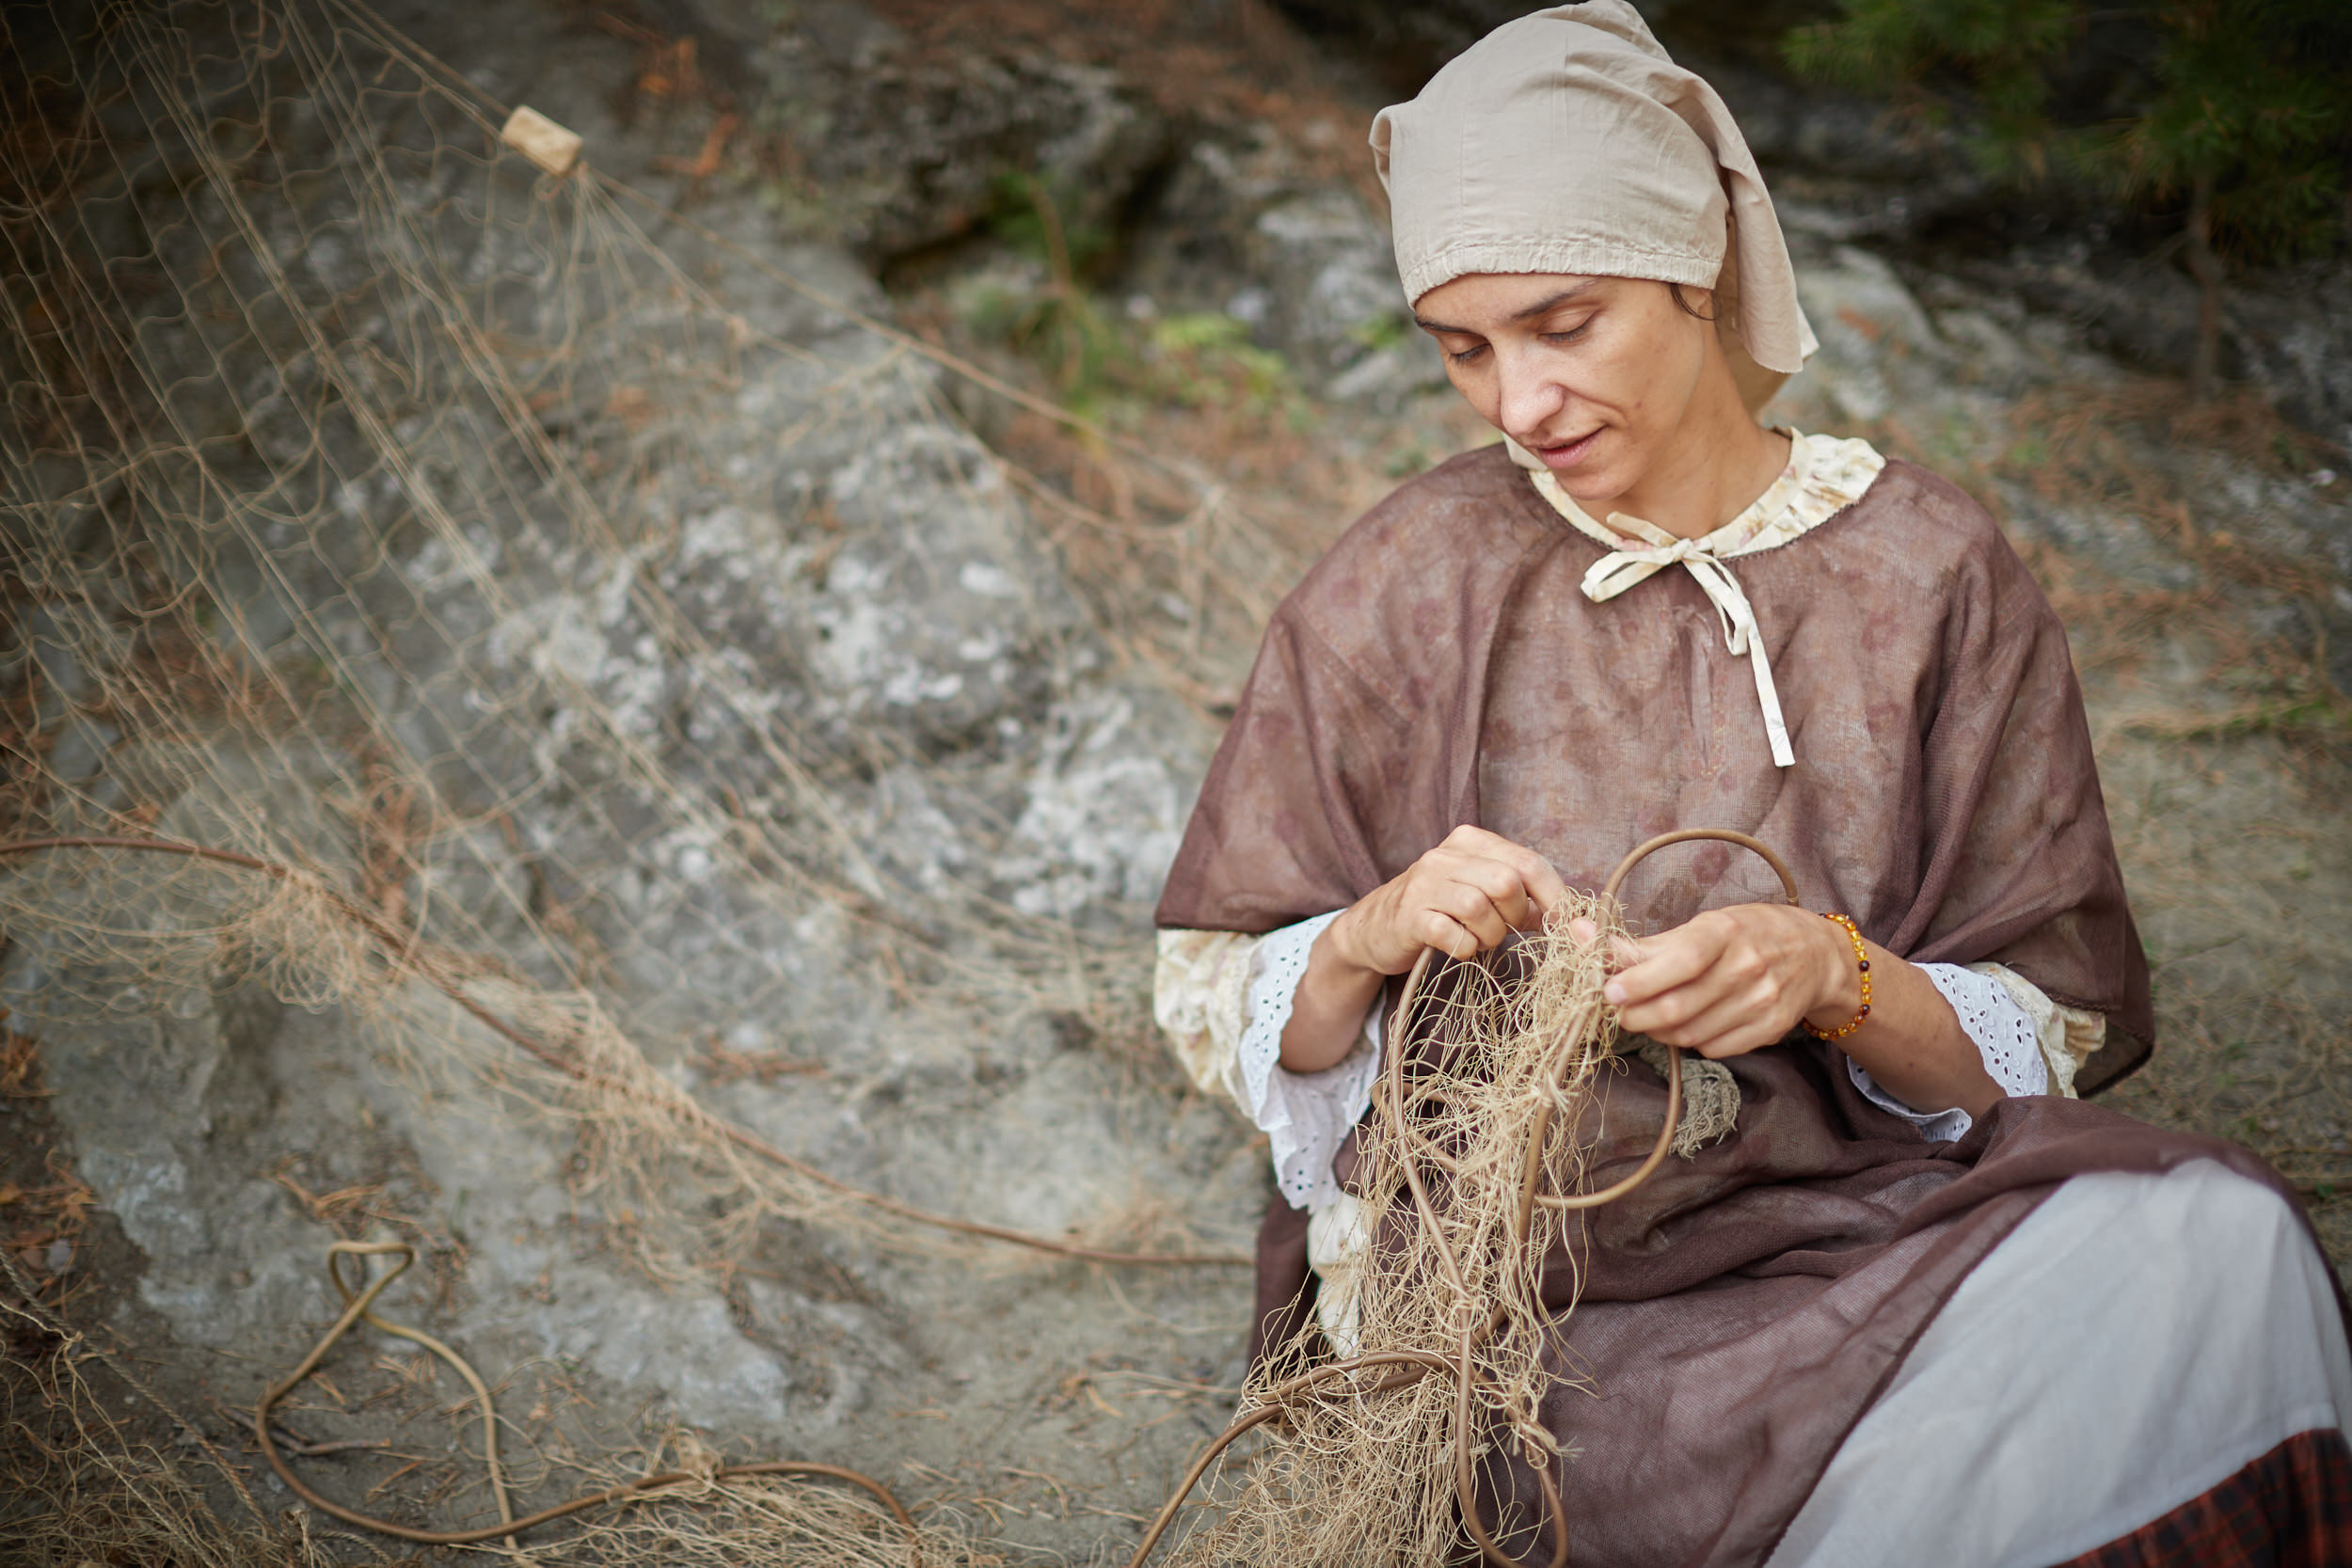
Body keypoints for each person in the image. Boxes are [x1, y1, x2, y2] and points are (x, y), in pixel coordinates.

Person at [1152, 6, 2352, 1563]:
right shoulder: (1408, 579)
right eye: (1465, 349)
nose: (1518, 404)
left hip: (1865, 1230)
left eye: (1562, 323)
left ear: (1693, 267)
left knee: (2219, 1244)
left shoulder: (1930, 573)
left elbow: (2043, 1029)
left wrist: (1837, 978)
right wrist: (1371, 934)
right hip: (1530, 1312)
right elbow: (1207, 994)